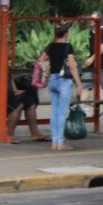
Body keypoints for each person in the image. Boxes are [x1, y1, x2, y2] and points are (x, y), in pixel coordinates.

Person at [0, 41, 49, 143]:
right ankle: (8, 135)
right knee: (17, 104)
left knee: (30, 102)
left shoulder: (4, 60)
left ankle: (35, 134)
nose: (12, 52)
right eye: (10, 49)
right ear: (3, 50)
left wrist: (15, 90)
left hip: (3, 92)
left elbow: (9, 78)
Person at [39, 21, 83, 151]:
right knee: (62, 114)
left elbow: (41, 60)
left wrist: (45, 74)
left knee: (55, 113)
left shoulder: (50, 46)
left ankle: (54, 142)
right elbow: (72, 66)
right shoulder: (68, 47)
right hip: (64, 81)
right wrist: (79, 83)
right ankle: (60, 143)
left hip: (52, 80)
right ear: (65, 34)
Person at [81, 11, 103, 117]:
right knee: (86, 85)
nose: (91, 20)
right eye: (91, 18)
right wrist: (89, 60)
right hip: (92, 65)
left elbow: (102, 47)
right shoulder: (91, 32)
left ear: (99, 20)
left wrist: (91, 59)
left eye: (93, 18)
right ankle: (80, 107)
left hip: (102, 64)